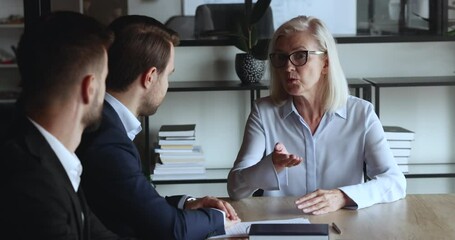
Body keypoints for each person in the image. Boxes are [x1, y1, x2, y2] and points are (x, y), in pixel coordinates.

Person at [76, 15, 240, 240]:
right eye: (169, 75)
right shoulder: (108, 140)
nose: (168, 85)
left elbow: (136, 203)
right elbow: (171, 230)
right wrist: (220, 218)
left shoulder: (108, 122)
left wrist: (187, 204)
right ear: (150, 77)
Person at [227, 16, 406, 214]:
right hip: (284, 227)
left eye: (300, 56)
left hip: (344, 227)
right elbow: (235, 188)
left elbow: (395, 182)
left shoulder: (361, 114)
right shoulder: (264, 113)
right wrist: (270, 166)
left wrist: (342, 196)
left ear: (326, 63)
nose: (288, 67)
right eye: (281, 57)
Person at [0, 11, 132, 239]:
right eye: (104, 80)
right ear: (89, 88)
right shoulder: (33, 185)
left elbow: (97, 234)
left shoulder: (49, 155)